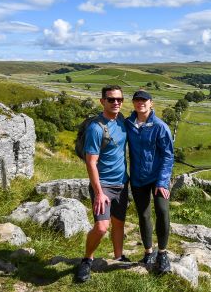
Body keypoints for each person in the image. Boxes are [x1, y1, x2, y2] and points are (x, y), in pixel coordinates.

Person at [75, 85, 129, 283]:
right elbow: (91, 162)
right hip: (103, 185)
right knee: (101, 227)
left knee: (119, 223)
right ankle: (87, 259)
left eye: (119, 99)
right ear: (102, 101)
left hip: (122, 183)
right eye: (111, 99)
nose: (116, 103)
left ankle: (118, 256)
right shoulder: (96, 128)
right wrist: (98, 192)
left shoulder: (122, 120)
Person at [125, 90, 174, 274]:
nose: (140, 103)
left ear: (151, 103)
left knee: (162, 210)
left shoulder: (160, 126)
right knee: (143, 215)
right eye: (137, 100)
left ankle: (162, 253)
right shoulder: (128, 124)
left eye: (144, 100)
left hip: (157, 177)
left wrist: (162, 182)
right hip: (138, 177)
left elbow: (168, 156)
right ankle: (148, 252)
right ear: (133, 104)